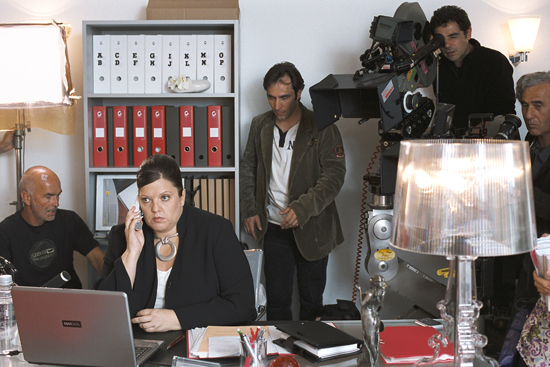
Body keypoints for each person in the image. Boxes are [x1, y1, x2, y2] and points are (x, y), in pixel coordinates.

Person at [95, 154, 256, 332]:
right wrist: (130, 255)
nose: (155, 208)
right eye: (146, 199)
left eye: (165, 197)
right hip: (138, 346)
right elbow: (103, 311)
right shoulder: (122, 235)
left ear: (181, 197)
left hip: (196, 343)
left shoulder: (215, 231)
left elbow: (242, 304)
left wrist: (176, 319)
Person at [240, 62, 346, 321]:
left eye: (284, 97)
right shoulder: (259, 125)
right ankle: (280, 359)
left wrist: (302, 208)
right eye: (271, 97)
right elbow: (248, 168)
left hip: (314, 228)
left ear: (299, 93)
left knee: (312, 304)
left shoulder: (322, 126)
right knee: (277, 304)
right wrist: (250, 209)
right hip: (273, 229)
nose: (277, 105)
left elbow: (334, 175)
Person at [0, 166, 104, 288]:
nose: (56, 203)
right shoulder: (6, 231)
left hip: (69, 300)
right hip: (29, 303)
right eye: (48, 197)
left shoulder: (69, 221)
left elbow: (97, 259)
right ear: (27, 198)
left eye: (58, 195)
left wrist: (119, 291)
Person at [511, 72, 550, 366]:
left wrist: (519, 188)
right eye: (524, 106)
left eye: (538, 106)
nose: (529, 115)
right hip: (526, 265)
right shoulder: (530, 142)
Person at [430, 5, 516, 137]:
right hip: (454, 146)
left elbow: (505, 112)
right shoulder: (437, 66)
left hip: (495, 142)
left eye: (453, 36)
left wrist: (471, 136)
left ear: (468, 33)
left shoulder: (494, 61)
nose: (447, 45)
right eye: (441, 39)